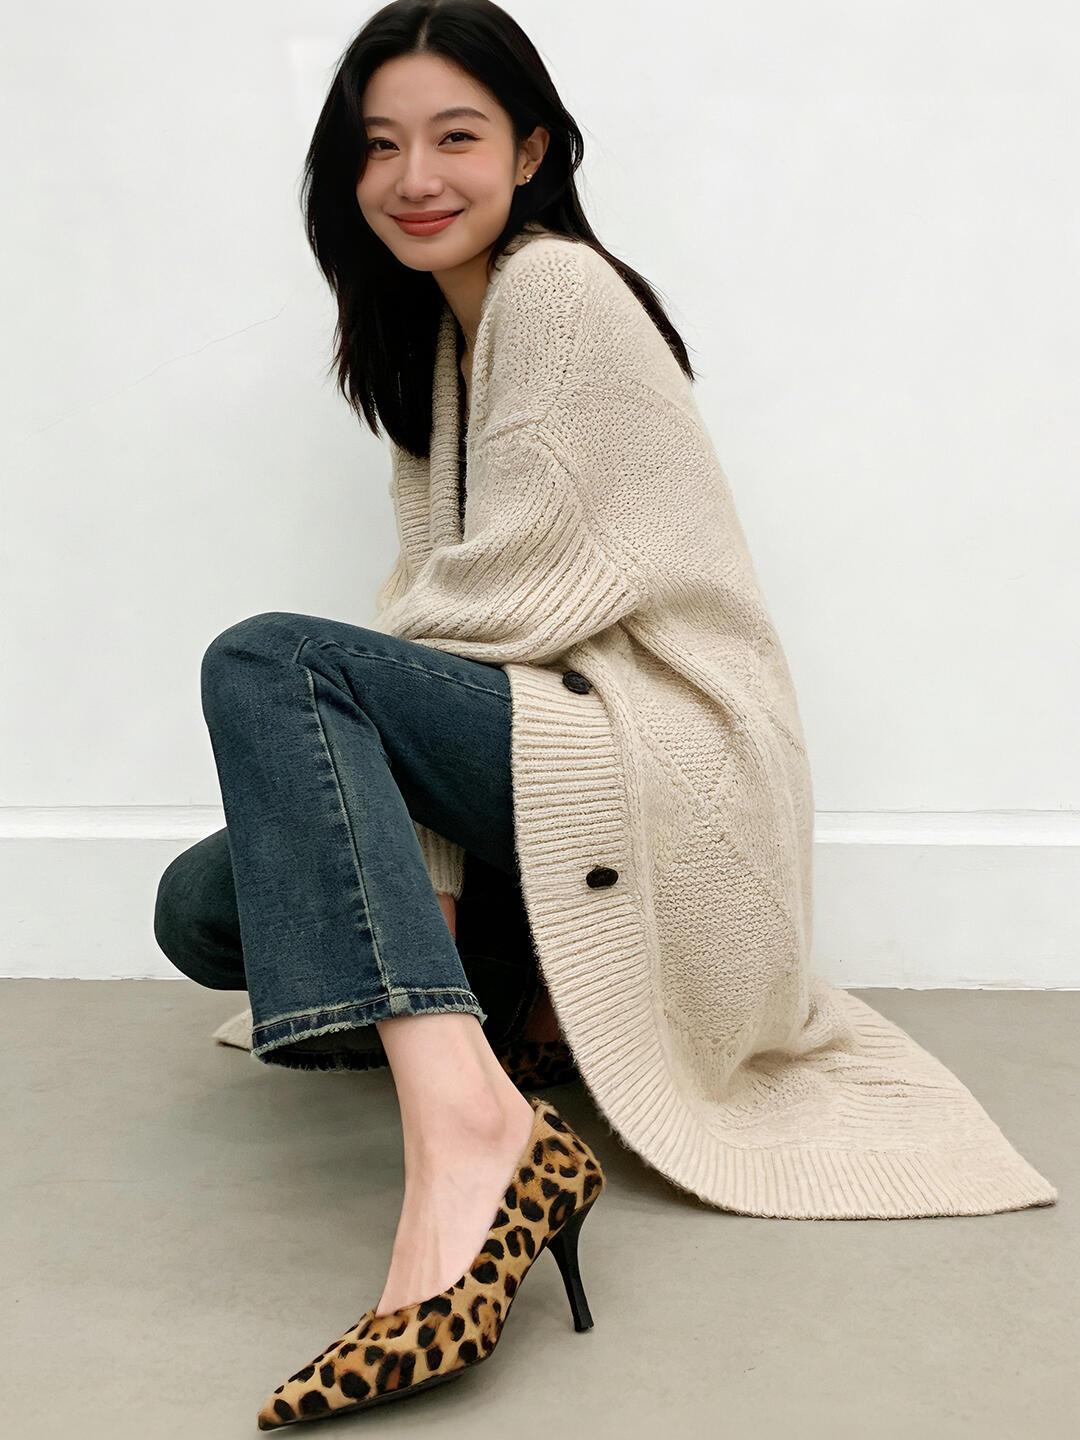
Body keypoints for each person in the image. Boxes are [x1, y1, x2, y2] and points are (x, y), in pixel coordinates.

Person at [155, 0, 1057, 1427]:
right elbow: (451, 627)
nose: (414, 177)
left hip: (659, 761)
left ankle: (475, 1136)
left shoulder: (558, 294)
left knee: (270, 664)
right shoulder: (436, 349)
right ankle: (526, 1011)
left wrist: (404, 813)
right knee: (207, 913)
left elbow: (505, 606)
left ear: (532, 150)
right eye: (379, 146)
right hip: (554, 747)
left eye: (455, 137)